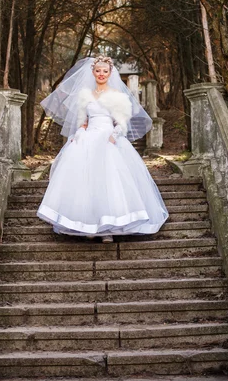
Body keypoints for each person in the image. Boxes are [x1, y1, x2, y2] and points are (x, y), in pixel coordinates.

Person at [36, 56, 168, 243]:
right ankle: (88, 225)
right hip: (88, 138)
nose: (101, 74)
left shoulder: (117, 96)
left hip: (108, 140)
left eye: (105, 71)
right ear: (93, 72)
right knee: (86, 183)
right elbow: (83, 121)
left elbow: (122, 123)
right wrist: (79, 133)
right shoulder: (85, 95)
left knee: (110, 182)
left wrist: (114, 135)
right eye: (98, 70)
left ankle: (109, 228)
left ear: (110, 73)